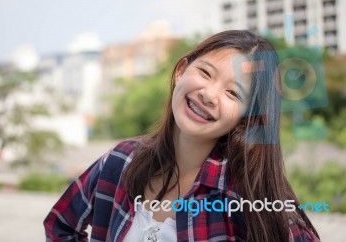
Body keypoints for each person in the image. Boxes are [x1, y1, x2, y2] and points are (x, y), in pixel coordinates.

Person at [44, 30, 320, 242]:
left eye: (233, 93)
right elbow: (61, 224)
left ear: (246, 117)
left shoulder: (249, 198)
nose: (209, 95)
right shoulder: (121, 161)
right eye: (205, 73)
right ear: (180, 71)